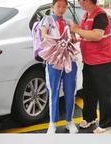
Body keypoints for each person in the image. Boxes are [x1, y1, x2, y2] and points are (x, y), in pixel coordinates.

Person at [71, 0, 111, 134]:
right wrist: (78, 37)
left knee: (105, 94)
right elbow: (86, 34)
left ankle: (108, 126)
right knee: (89, 92)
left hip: (104, 62)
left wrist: (77, 30)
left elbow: (97, 35)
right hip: (90, 61)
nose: (79, 1)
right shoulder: (87, 14)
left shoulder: (100, 15)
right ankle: (89, 118)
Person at [40, 0, 78, 134]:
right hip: (53, 61)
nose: (61, 9)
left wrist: (73, 36)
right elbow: (43, 35)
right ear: (52, 7)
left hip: (70, 60)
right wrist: (56, 41)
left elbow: (74, 39)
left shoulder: (69, 22)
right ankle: (52, 123)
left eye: (64, 6)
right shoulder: (47, 20)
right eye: (58, 6)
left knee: (70, 91)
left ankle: (69, 121)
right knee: (54, 92)